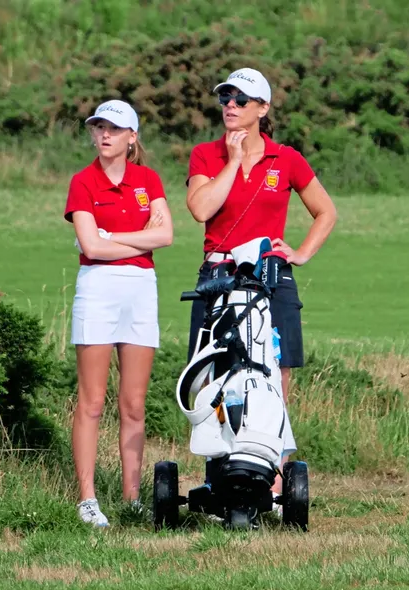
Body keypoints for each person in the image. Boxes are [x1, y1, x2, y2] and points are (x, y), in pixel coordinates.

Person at [185, 68, 338, 507]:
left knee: (276, 376)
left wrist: (301, 253)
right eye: (225, 98)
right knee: (213, 374)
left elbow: (325, 212)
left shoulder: (286, 159)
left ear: (262, 109)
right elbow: (201, 208)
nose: (230, 105)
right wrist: (232, 163)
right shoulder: (205, 155)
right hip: (218, 276)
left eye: (240, 99)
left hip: (272, 278)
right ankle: (219, 473)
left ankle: (272, 481)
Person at [65, 100, 175, 528]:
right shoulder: (83, 182)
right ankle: (88, 499)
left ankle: (131, 498)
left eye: (114, 128)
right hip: (97, 288)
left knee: (133, 403)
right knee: (92, 402)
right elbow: (91, 247)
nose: (104, 135)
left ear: (133, 137)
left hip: (141, 290)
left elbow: (165, 235)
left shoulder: (148, 179)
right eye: (98, 127)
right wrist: (139, 239)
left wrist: (117, 237)